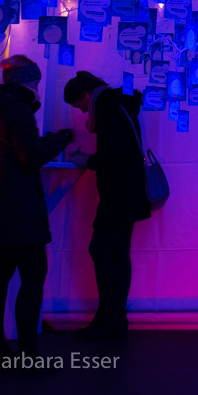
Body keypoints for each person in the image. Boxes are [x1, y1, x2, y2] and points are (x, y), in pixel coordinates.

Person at [0, 55, 73, 362]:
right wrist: (60, 139)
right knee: (33, 278)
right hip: (19, 208)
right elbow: (30, 156)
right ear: (28, 82)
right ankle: (29, 357)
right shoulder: (17, 110)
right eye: (36, 83)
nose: (38, 89)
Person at [64, 71, 151, 340]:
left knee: (101, 249)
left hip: (118, 193)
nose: (81, 113)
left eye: (79, 106)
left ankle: (110, 316)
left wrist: (86, 161)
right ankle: (114, 316)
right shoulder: (120, 105)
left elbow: (111, 156)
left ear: (86, 96)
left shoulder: (107, 109)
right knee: (117, 252)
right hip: (130, 192)